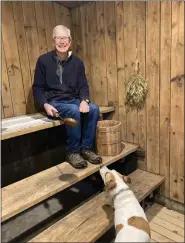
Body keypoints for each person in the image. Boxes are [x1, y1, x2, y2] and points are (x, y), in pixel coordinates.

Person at [33, 25, 102, 169]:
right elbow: (37, 88)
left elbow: (83, 85)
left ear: (70, 41)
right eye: (58, 37)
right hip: (54, 103)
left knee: (94, 109)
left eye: (65, 38)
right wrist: (45, 104)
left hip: (73, 100)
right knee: (73, 110)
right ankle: (73, 151)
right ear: (53, 41)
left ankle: (86, 148)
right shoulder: (43, 61)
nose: (62, 41)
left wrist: (84, 100)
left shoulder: (77, 63)